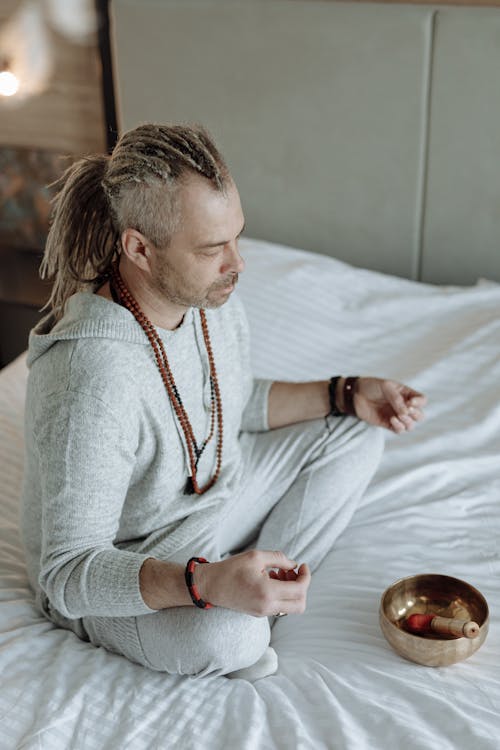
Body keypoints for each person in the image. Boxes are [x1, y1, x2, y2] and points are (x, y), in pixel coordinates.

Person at [20, 123, 426, 681]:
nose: (238, 263)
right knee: (232, 634)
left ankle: (264, 590)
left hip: (213, 498)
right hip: (123, 565)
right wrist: (203, 584)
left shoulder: (208, 295)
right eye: (213, 249)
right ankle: (243, 606)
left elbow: (223, 408)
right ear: (139, 248)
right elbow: (67, 573)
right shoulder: (90, 377)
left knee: (355, 427)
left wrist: (347, 391)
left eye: (237, 236)